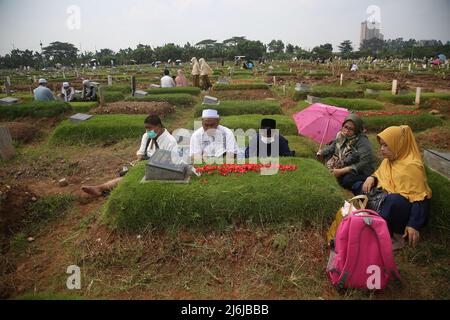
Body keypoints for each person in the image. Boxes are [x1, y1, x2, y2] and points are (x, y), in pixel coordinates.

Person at [354, 126, 432, 250]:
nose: (382, 149)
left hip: (401, 210)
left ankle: (397, 236)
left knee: (393, 200)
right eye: (381, 145)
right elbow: (379, 175)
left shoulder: (412, 167)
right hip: (385, 199)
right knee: (359, 185)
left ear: (398, 144)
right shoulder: (389, 160)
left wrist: (414, 224)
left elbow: (420, 198)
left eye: (386, 145)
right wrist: (372, 178)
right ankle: (374, 223)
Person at [81, 115, 179, 197]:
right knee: (126, 173)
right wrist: (138, 160)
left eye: (150, 128)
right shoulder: (147, 136)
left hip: (160, 167)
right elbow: (142, 152)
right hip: (145, 163)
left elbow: (171, 162)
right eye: (146, 128)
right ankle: (102, 188)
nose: (148, 131)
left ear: (158, 126)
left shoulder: (170, 141)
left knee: (131, 178)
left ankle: (100, 188)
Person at [317, 114, 375, 194]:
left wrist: (342, 171)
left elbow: (364, 162)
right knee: (327, 158)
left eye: (351, 129)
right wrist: (322, 152)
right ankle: (337, 174)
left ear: (357, 130)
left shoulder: (362, 142)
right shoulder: (341, 135)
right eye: (345, 127)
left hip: (360, 169)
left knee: (346, 181)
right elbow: (333, 146)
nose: (347, 131)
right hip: (345, 162)